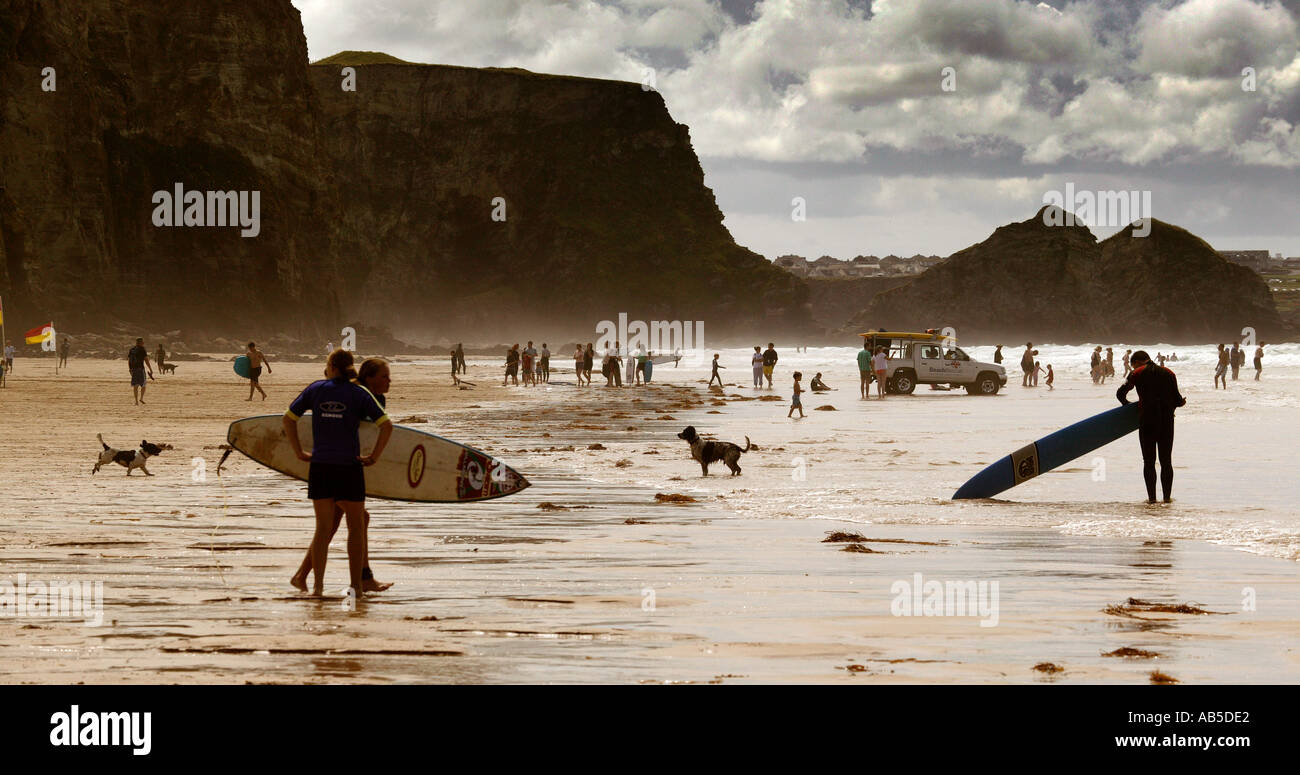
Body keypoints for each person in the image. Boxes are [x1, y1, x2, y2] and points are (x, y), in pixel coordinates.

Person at [284, 349, 393, 598]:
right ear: (369, 377)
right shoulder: (361, 393)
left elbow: (290, 418)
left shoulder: (323, 388)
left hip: (321, 464)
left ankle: (314, 585)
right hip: (348, 467)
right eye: (385, 376)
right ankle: (358, 584)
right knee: (351, 522)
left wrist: (299, 452)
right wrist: (374, 457)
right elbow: (384, 427)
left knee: (329, 525)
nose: (389, 382)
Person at [1117, 350, 1186, 503]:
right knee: (1166, 461)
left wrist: (1128, 407)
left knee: (1149, 462)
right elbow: (1178, 399)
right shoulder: (1169, 372)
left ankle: (1152, 499)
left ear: (1136, 362)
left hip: (1147, 420)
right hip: (1167, 421)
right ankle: (1167, 499)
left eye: (1132, 365)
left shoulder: (1137, 373)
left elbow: (1120, 393)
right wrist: (1180, 403)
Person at [127, 337, 154, 404]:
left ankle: (136, 401)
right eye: (142, 342)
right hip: (140, 369)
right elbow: (146, 360)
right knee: (143, 384)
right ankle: (141, 398)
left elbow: (129, 360)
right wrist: (150, 369)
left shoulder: (132, 350)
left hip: (134, 369)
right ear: (140, 342)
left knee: (135, 385)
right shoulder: (142, 349)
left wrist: (130, 369)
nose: (143, 343)